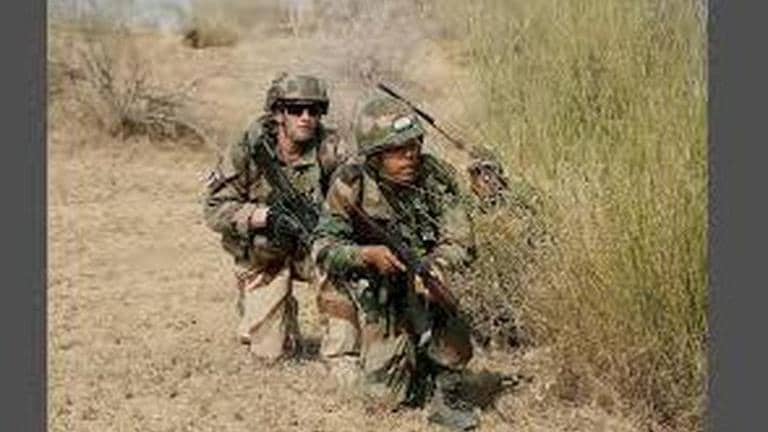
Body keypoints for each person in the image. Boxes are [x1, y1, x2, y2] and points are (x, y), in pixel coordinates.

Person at [312, 95, 480, 430]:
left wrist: (438, 266)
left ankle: (445, 386)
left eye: (414, 145)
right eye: (398, 149)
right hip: (372, 286)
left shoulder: (436, 177)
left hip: (423, 278)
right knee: (384, 399)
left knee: (450, 314)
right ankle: (358, 349)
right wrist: (365, 256)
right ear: (375, 156)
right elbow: (323, 246)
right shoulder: (351, 183)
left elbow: (463, 242)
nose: (410, 155)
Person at [202, 73, 349, 364]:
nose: (306, 117)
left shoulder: (331, 147)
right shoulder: (248, 147)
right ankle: (268, 310)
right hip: (265, 253)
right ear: (278, 113)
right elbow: (214, 209)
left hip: (312, 244)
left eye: (314, 110)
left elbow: (358, 192)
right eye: (296, 109)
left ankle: (343, 350)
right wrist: (263, 217)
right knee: (271, 354)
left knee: (343, 264)